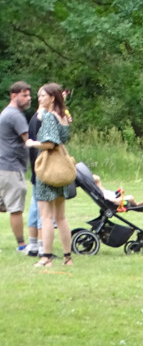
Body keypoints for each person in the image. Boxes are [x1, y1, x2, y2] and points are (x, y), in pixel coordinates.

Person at [24, 83, 73, 267]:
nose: (40, 99)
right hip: (61, 170)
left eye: (43, 96)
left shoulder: (51, 117)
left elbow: (49, 143)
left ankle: (47, 257)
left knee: (46, 217)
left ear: (52, 98)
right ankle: (67, 257)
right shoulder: (63, 117)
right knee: (61, 217)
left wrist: (32, 143)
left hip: (49, 169)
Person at [0, 81, 33, 255]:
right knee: (16, 208)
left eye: (29, 95)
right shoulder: (15, 115)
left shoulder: (8, 113)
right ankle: (22, 246)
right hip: (10, 168)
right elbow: (28, 140)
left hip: (3, 166)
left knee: (3, 206)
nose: (28, 99)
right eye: (24, 95)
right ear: (14, 96)